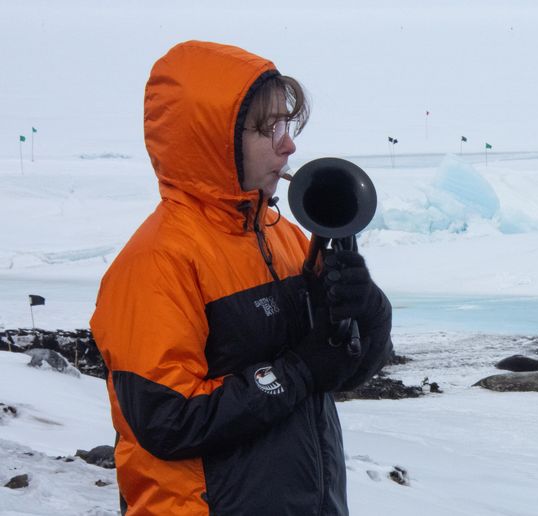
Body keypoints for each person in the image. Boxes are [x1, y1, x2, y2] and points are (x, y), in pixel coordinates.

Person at [90, 40, 392, 515]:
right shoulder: (155, 263)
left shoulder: (285, 237)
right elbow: (167, 422)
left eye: (287, 125)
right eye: (267, 129)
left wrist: (371, 316)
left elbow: (339, 371)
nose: (289, 145)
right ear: (214, 140)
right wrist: (296, 371)